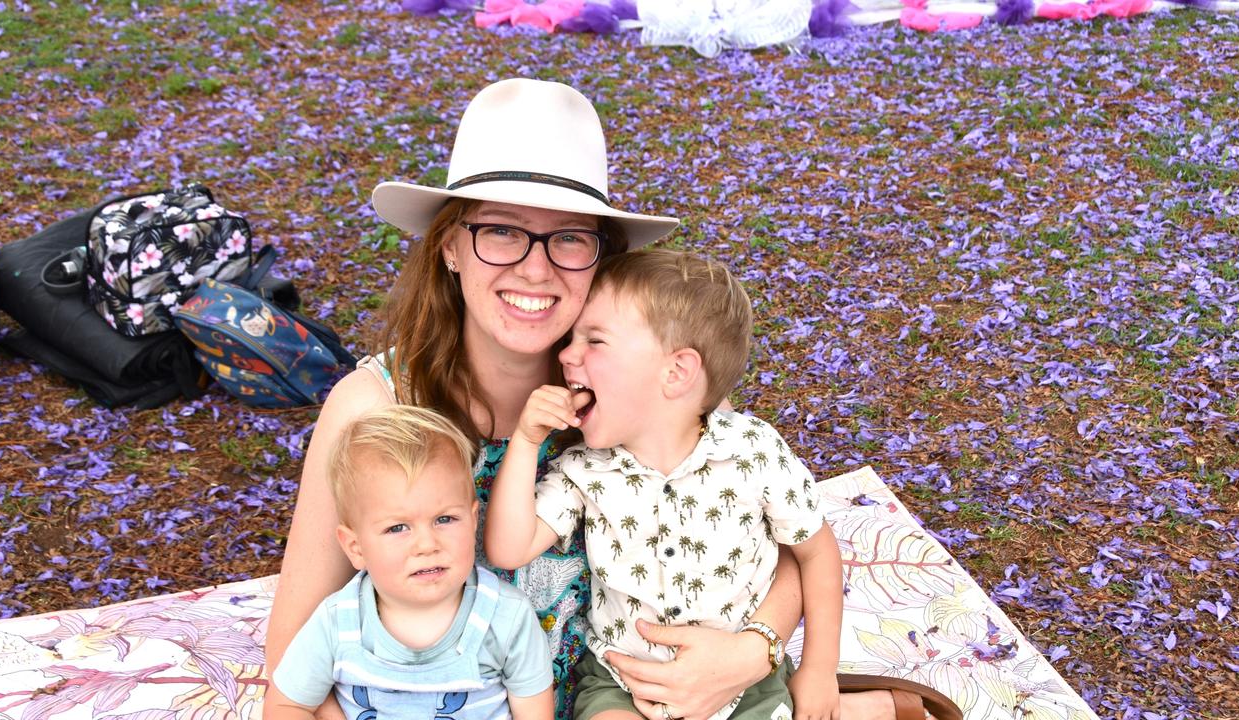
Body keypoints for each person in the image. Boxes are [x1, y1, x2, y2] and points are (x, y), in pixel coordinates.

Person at [265, 78, 813, 720]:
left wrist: (753, 651)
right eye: (501, 230)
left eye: (570, 238)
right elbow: (293, 653)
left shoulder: (629, 389)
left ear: (599, 259)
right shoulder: (374, 407)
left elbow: (785, 543)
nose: (534, 268)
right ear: (449, 246)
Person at [485, 250, 844, 720]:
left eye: (594, 340)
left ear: (676, 373)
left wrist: (820, 669)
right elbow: (508, 550)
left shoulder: (752, 451)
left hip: (744, 689)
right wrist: (527, 442)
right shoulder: (584, 469)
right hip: (621, 684)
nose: (567, 355)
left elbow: (816, 552)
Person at [264, 406, 554, 720]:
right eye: (397, 528)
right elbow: (285, 706)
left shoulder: (505, 617)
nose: (427, 545)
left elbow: (535, 713)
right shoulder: (338, 623)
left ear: (473, 522)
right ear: (356, 547)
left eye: (445, 519)